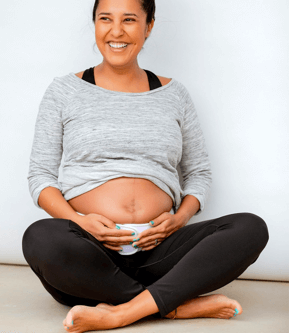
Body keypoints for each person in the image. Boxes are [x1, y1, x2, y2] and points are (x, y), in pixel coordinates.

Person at [22, 0, 269, 332]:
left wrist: (179, 219)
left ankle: (121, 311)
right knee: (40, 237)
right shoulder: (64, 91)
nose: (116, 31)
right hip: (92, 254)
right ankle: (173, 305)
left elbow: (199, 173)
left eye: (129, 20)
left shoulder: (174, 94)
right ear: (94, 24)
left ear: (149, 25)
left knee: (250, 228)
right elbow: (41, 175)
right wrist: (78, 222)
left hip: (160, 252)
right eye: (105, 19)